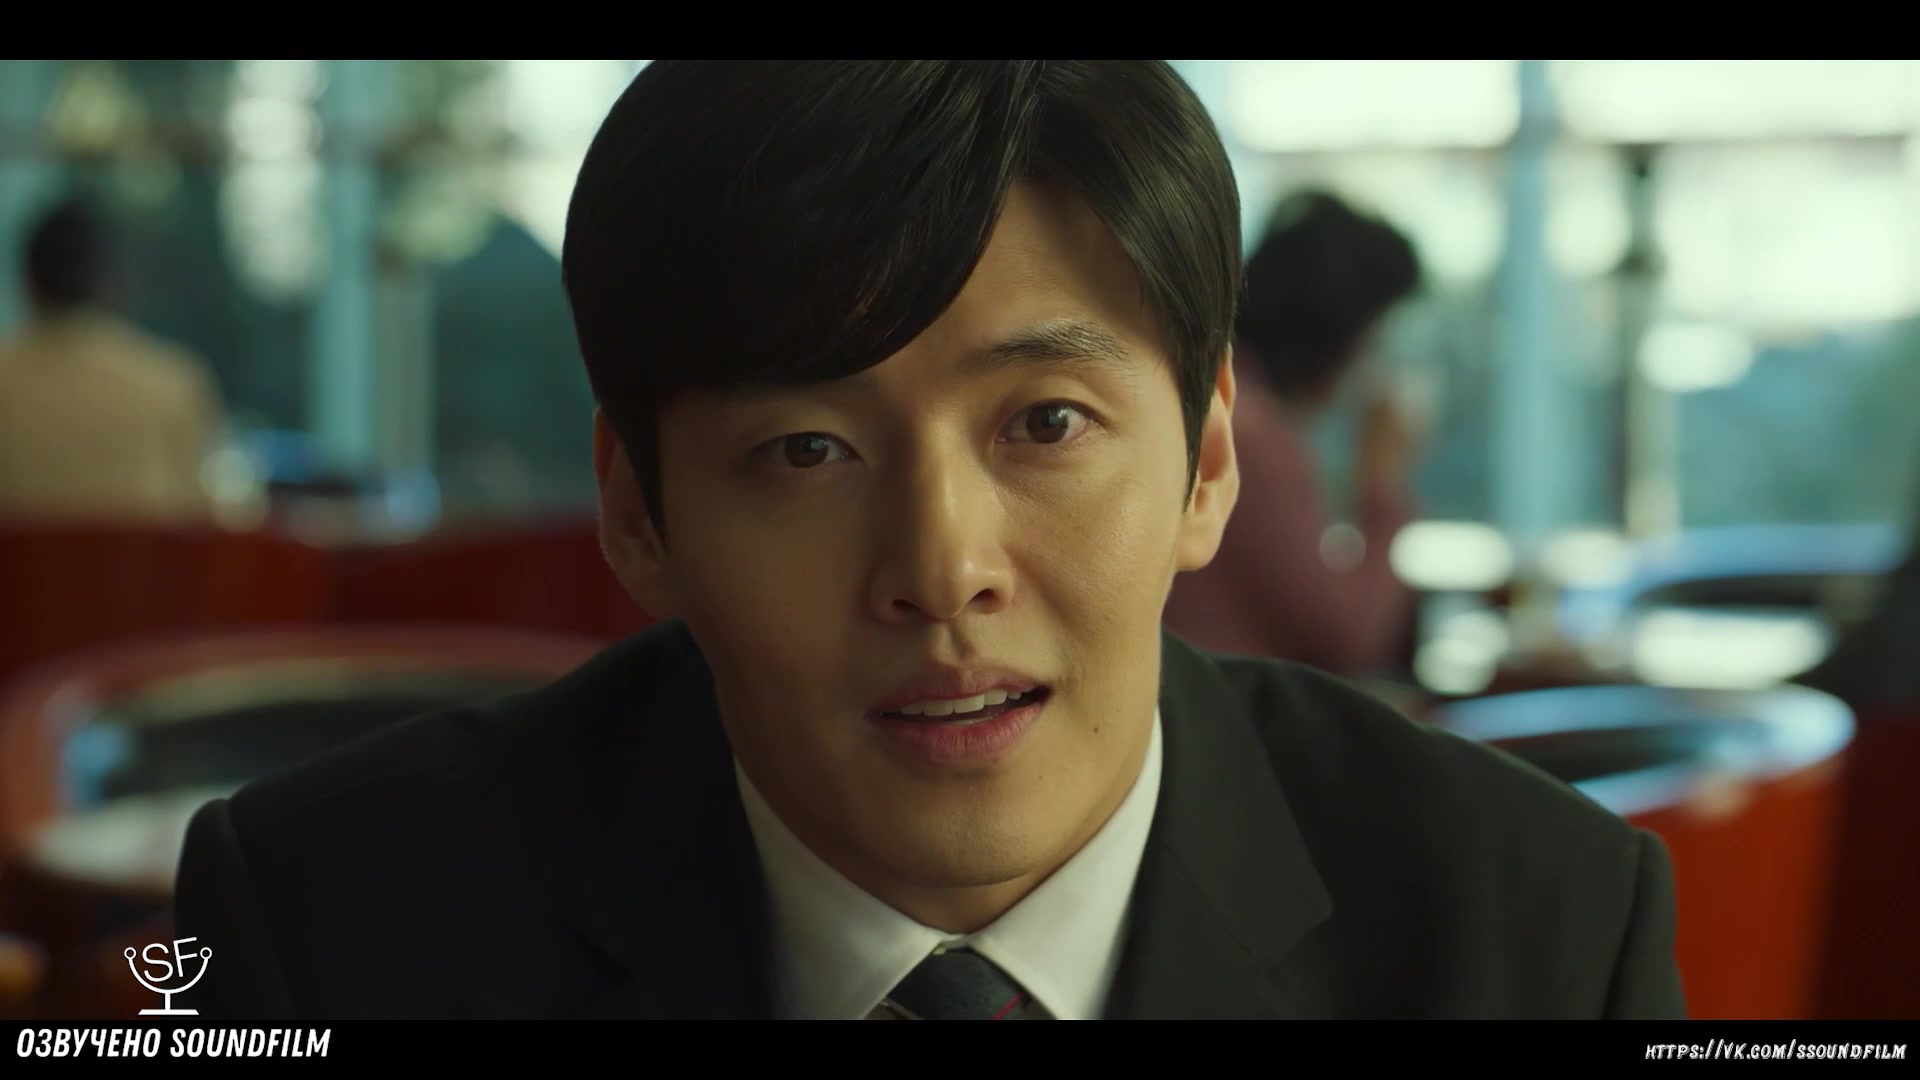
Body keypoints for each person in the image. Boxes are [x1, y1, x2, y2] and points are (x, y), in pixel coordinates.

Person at [171, 61, 1685, 1021]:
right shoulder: (330, 928)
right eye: (806, 450)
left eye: (1046, 423)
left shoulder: (1532, 930)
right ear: (638, 513)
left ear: (1207, 462)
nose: (944, 570)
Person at [1162, 190, 1422, 673]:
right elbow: (1348, 639)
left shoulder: (1218, 403)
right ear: (1338, 334)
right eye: (1371, 340)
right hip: (1222, 707)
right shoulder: (1252, 437)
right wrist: (1382, 479)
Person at [0, 196, 224, 522]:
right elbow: (198, 525)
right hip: (141, 559)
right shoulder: (172, 385)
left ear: (27, 282)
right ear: (113, 281)